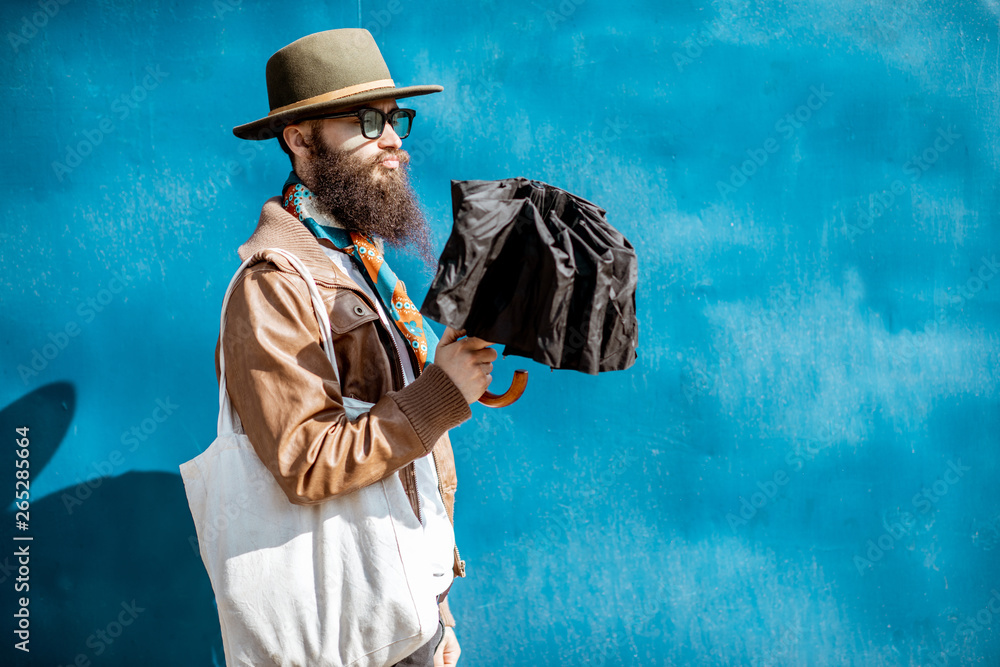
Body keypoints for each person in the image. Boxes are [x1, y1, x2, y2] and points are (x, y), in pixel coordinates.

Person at [216, 28, 496, 666]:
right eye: (367, 121)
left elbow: (408, 458)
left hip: (407, 609)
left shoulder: (357, 262)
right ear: (299, 138)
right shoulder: (275, 283)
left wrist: (440, 599)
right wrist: (441, 393)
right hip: (342, 631)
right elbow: (308, 461)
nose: (393, 138)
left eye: (396, 118)